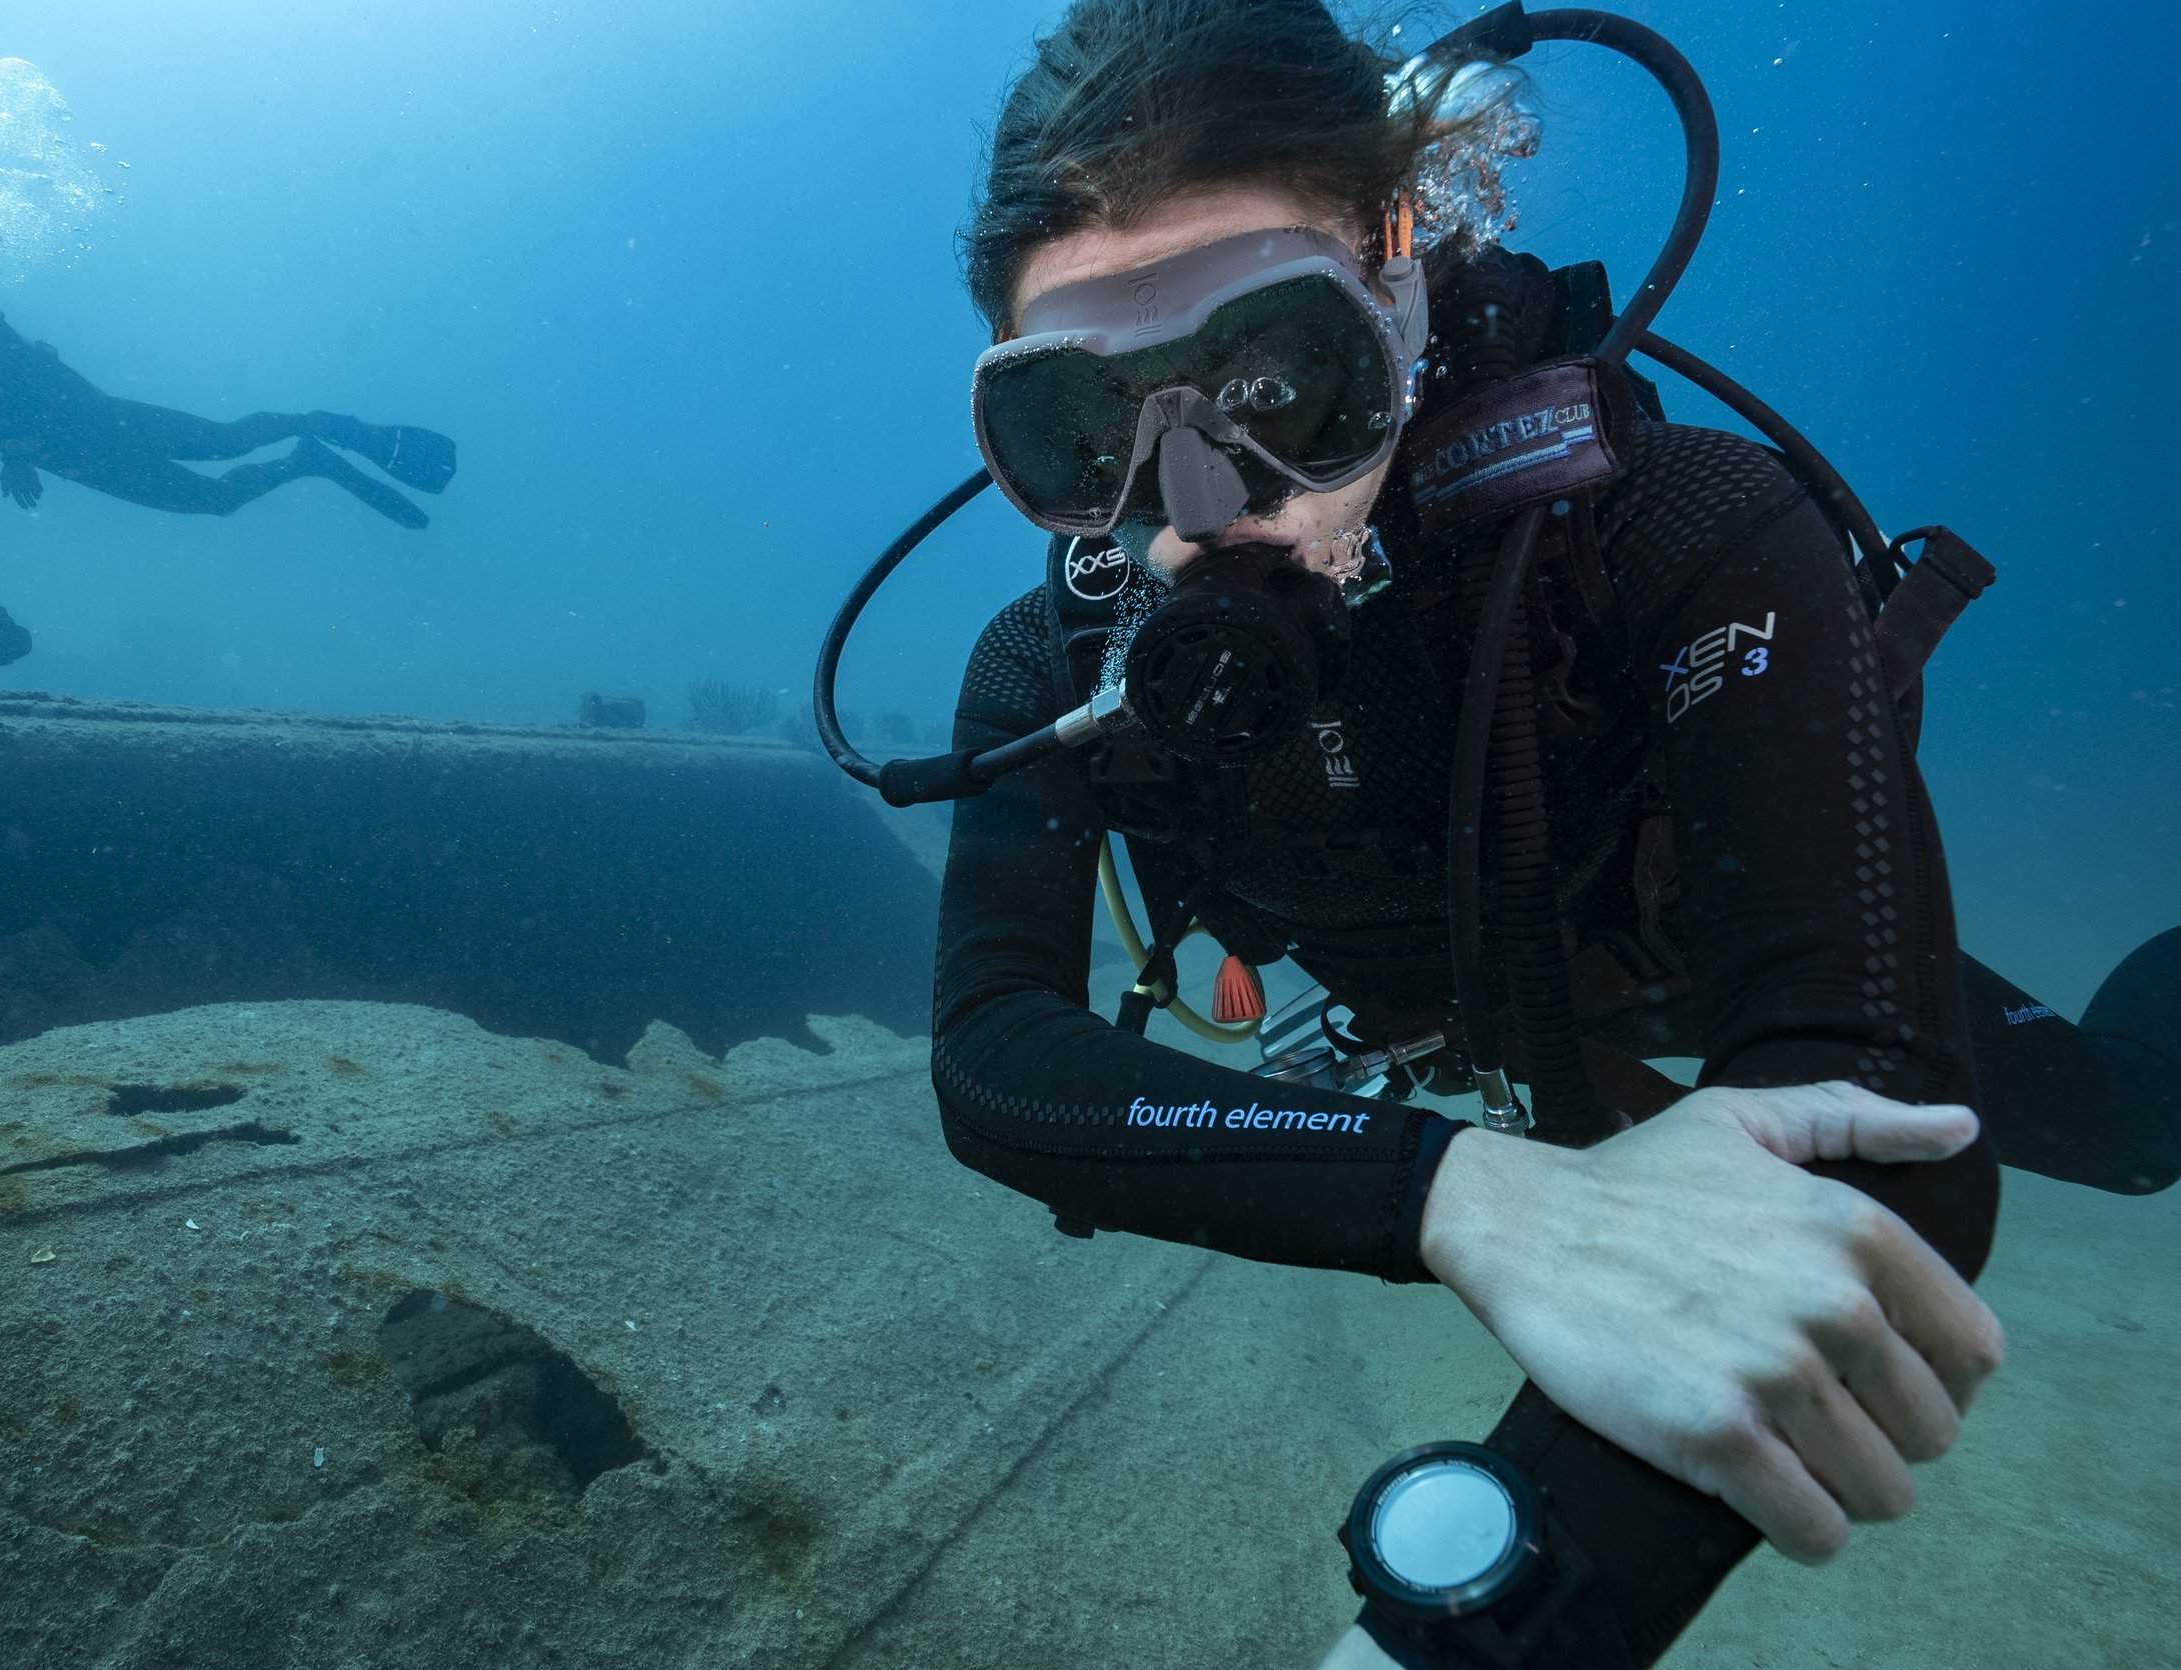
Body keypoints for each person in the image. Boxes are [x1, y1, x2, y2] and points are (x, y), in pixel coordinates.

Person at [917, 3, 2177, 1665]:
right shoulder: (1050, 664)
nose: (1207, 502)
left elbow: (1880, 1130)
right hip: (1443, 1034)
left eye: (1280, 379)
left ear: (1397, 259)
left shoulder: (1679, 528)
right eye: (1091, 428)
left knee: (2140, 1128)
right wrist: (1460, 1195)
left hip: (1667, 963)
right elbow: (999, 1050)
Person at [0, 273, 457, 591]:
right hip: (76, 457)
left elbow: (21, 360)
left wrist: (20, 446)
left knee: (226, 440)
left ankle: (330, 427)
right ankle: (312, 459)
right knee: (215, 501)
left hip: (91, 417)